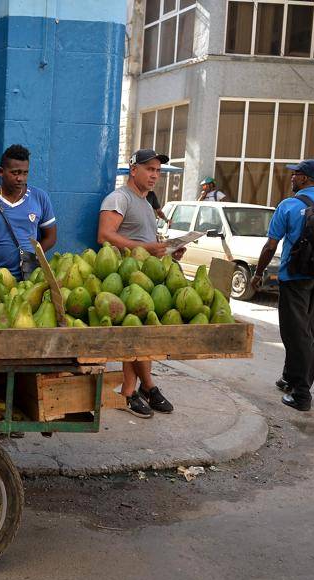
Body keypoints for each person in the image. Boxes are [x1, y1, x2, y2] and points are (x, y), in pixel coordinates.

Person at [250, 159, 314, 412]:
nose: (292, 178)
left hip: (296, 279)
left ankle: (301, 394)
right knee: (305, 328)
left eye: (296, 174)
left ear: (306, 179)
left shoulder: (288, 205)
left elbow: (270, 246)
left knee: (296, 334)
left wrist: (259, 273)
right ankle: (289, 377)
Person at [97, 148, 185, 418]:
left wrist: (169, 251)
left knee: (144, 335)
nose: (154, 175)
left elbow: (145, 242)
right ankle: (129, 390)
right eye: (149, 169)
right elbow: (104, 236)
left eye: (157, 171)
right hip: (123, 280)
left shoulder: (147, 203)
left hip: (146, 281)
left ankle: (147, 386)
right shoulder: (119, 198)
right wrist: (146, 249)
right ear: (133, 169)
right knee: (132, 337)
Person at [0, 144, 57, 279]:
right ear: (1, 172)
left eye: (24, 173)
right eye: (15, 173)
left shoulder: (40, 197)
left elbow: (51, 237)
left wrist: (32, 257)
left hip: (27, 279)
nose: (20, 178)